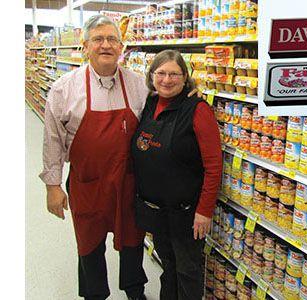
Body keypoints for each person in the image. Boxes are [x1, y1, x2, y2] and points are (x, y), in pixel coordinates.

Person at [39, 15, 148, 300]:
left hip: (128, 182)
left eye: (112, 39)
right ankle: (94, 294)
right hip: (88, 183)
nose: (105, 45)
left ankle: (135, 291)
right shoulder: (65, 88)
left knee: (132, 241)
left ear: (121, 47)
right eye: (98, 39)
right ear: (85, 45)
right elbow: (52, 139)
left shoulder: (138, 85)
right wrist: (53, 186)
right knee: (89, 243)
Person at [131, 49, 223, 300]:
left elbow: (213, 165)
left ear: (185, 77)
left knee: (187, 271)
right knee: (168, 267)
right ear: (151, 76)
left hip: (186, 213)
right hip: (157, 211)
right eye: (161, 73)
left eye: (174, 74)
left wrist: (204, 211)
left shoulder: (197, 109)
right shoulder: (149, 103)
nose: (167, 80)